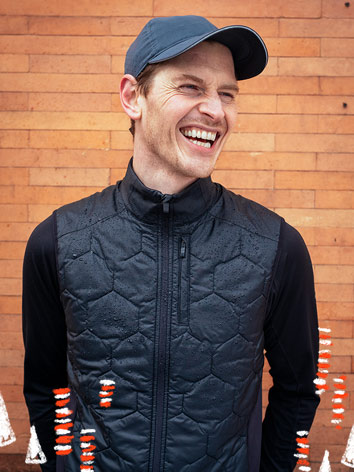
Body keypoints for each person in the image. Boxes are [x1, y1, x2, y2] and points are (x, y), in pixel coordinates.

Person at [22, 15, 320, 471]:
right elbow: (45, 389)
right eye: (190, 87)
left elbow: (298, 393)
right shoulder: (58, 242)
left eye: (227, 93)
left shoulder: (278, 247)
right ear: (132, 97)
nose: (216, 111)